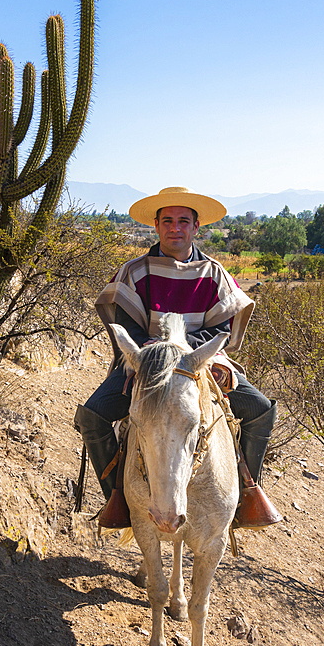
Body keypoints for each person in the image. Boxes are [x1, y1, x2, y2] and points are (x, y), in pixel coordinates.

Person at [74, 185, 278, 530]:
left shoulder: (214, 273)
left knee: (259, 410)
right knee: (92, 416)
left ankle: (244, 494)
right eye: (167, 220)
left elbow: (222, 328)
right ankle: (119, 498)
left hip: (201, 362)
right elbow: (126, 325)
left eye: (183, 220)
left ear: (196, 227)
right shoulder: (135, 270)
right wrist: (158, 356)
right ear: (156, 225)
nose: (175, 227)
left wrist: (188, 354)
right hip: (147, 365)